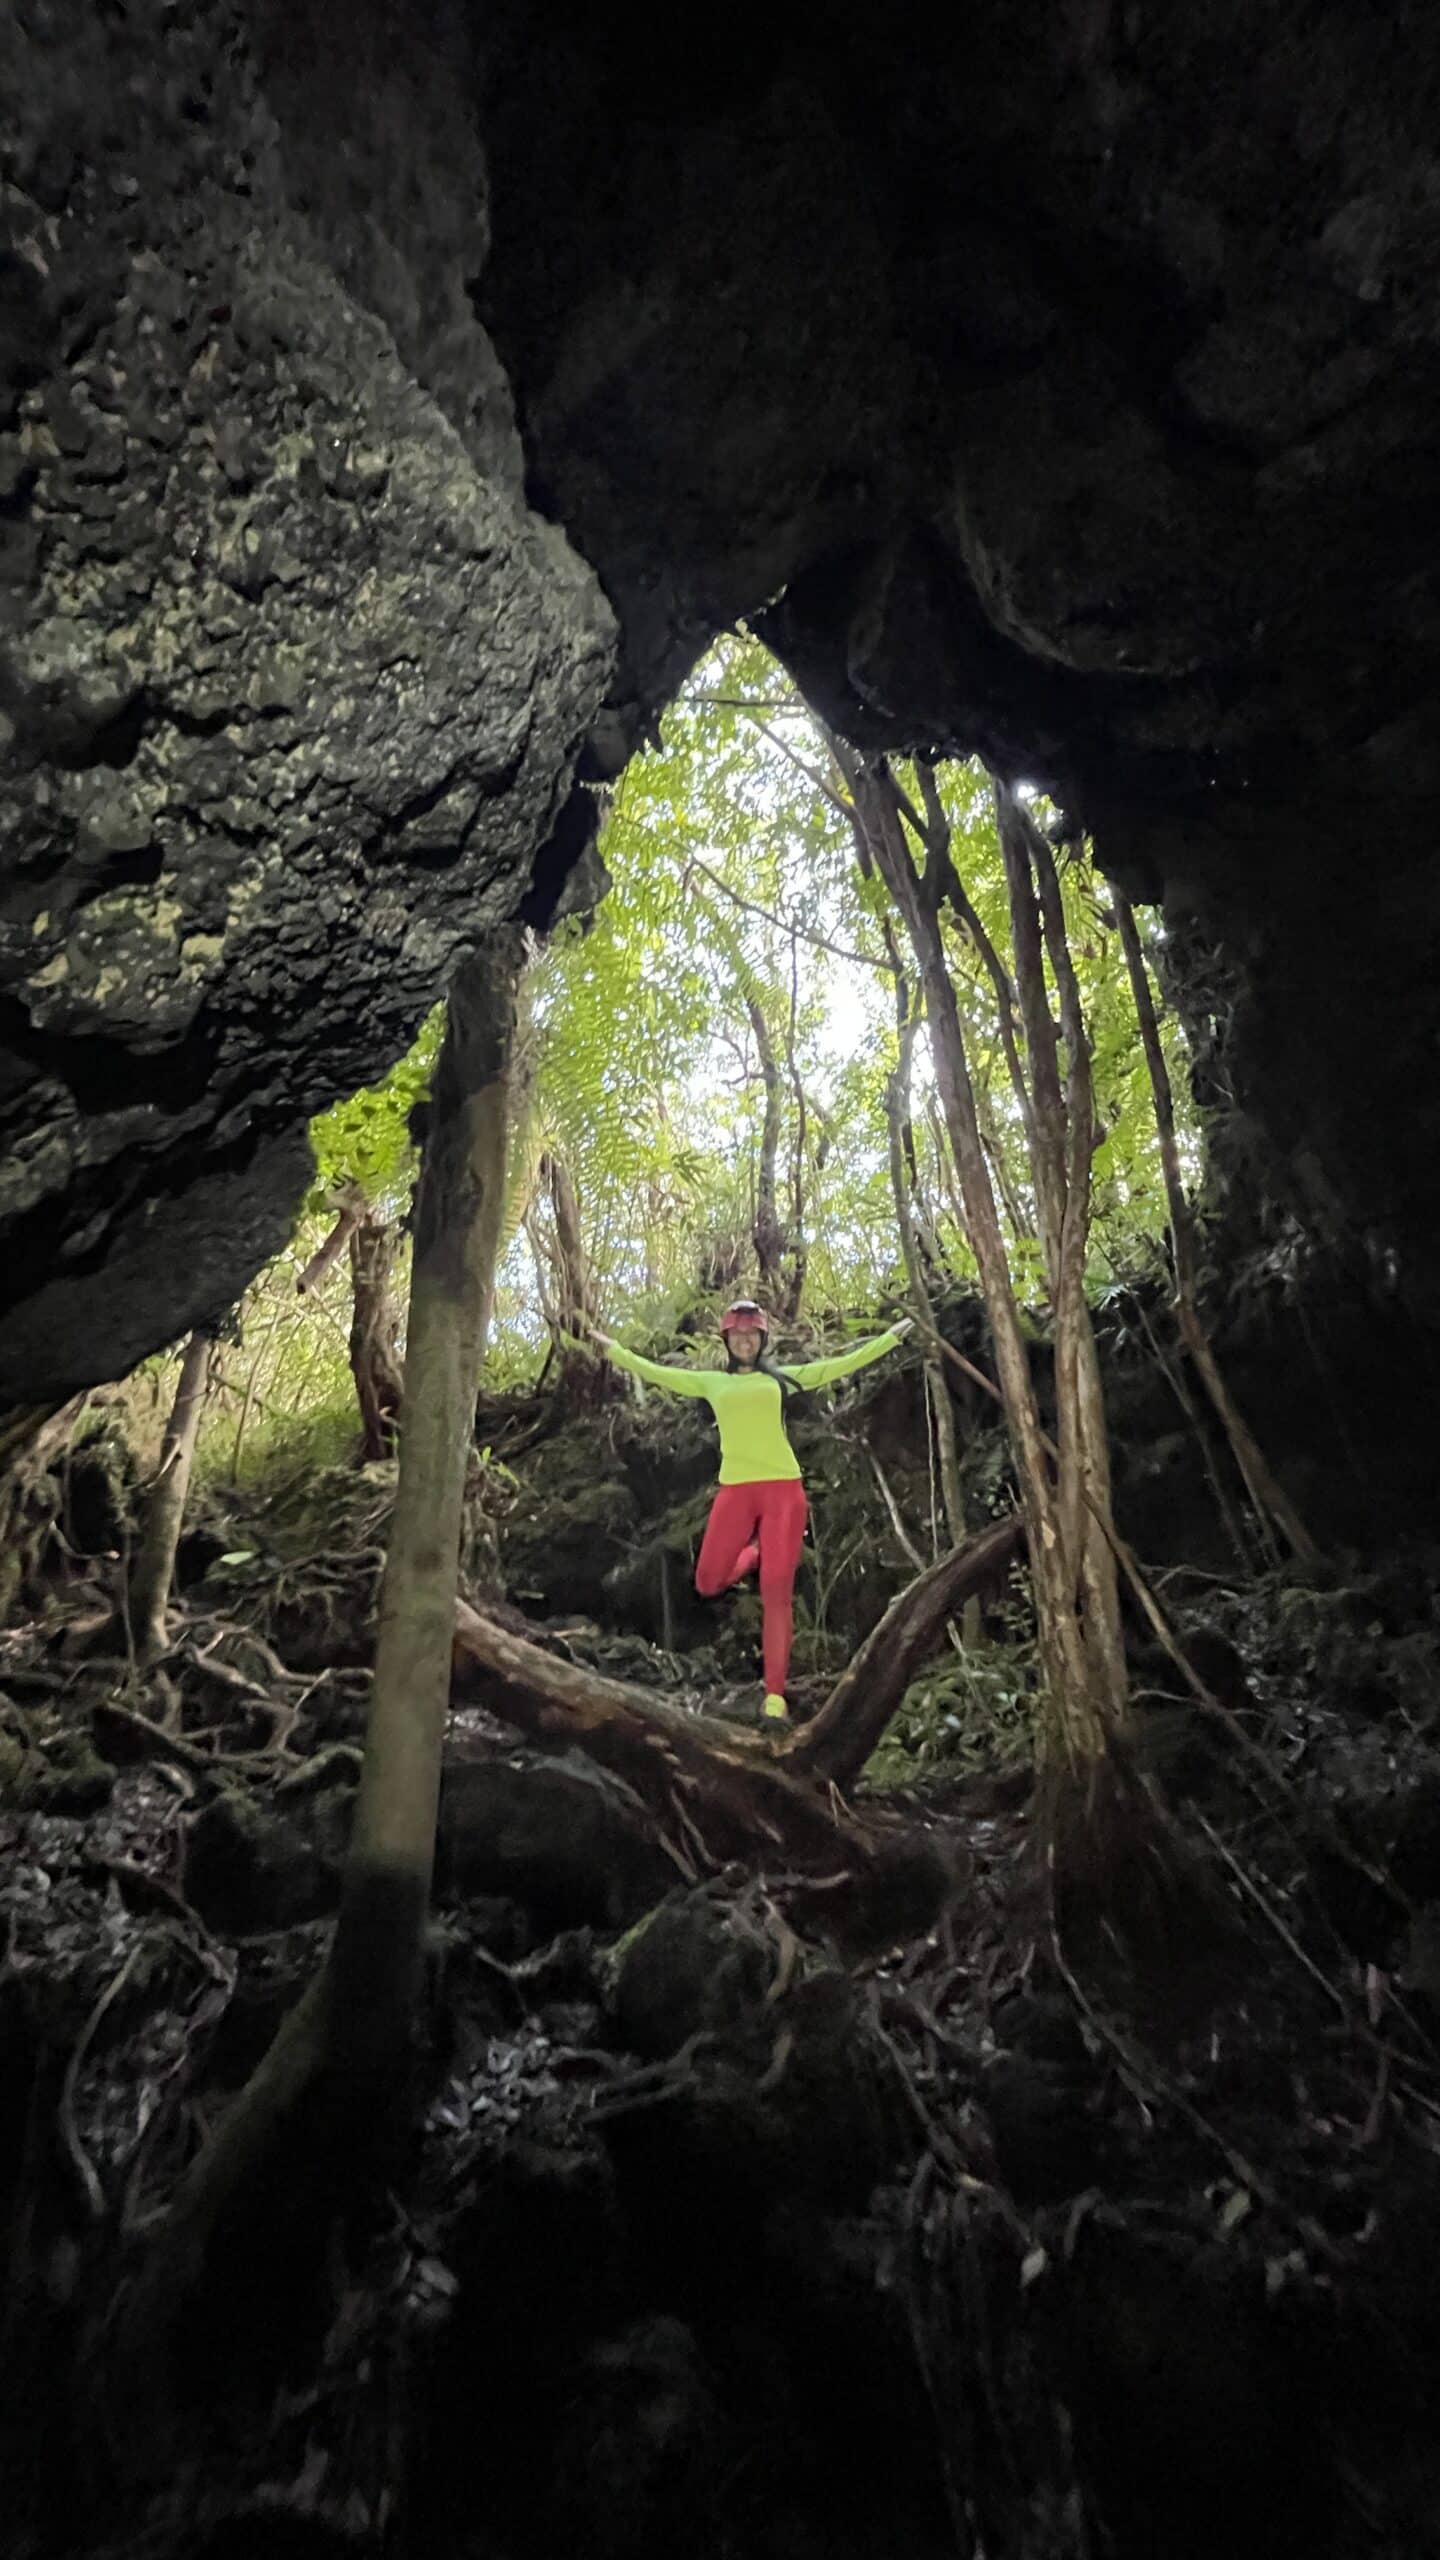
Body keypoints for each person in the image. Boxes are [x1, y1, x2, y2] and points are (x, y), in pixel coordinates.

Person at [591, 1299, 912, 1724]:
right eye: (737, 1335)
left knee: (776, 1596)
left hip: (783, 1490)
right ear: (727, 1341)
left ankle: (774, 1696)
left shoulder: (782, 1380)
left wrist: (889, 1339)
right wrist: (614, 1350)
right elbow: (659, 1374)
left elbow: (839, 1364)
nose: (745, 1341)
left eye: (752, 1335)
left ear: (762, 1340)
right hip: (736, 1491)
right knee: (707, 1581)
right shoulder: (711, 1383)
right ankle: (755, 1555)